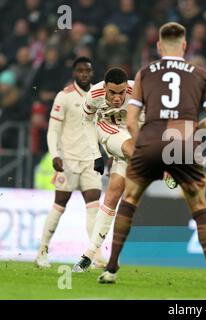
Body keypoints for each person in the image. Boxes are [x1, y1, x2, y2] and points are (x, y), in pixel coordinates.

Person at [96, 22, 206, 289]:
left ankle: (111, 268)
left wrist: (141, 142)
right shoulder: (200, 73)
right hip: (183, 142)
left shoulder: (145, 73)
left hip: (151, 139)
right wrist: (194, 130)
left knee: (130, 198)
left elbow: (131, 120)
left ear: (158, 46)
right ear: (185, 46)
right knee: (199, 205)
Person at [35, 57, 104, 268]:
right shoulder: (63, 97)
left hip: (90, 160)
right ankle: (42, 252)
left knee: (94, 206)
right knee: (60, 204)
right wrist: (55, 154)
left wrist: (104, 154)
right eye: (80, 70)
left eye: (87, 71)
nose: (84, 74)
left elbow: (101, 128)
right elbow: (53, 130)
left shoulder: (97, 96)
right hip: (68, 160)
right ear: (74, 73)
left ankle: (95, 256)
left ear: (91, 73)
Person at [72, 67, 137, 272]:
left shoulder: (139, 91)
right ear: (105, 88)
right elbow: (87, 121)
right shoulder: (94, 95)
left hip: (136, 135)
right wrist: (96, 154)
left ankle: (88, 255)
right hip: (110, 131)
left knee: (112, 196)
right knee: (130, 149)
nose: (117, 98)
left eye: (121, 93)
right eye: (112, 93)